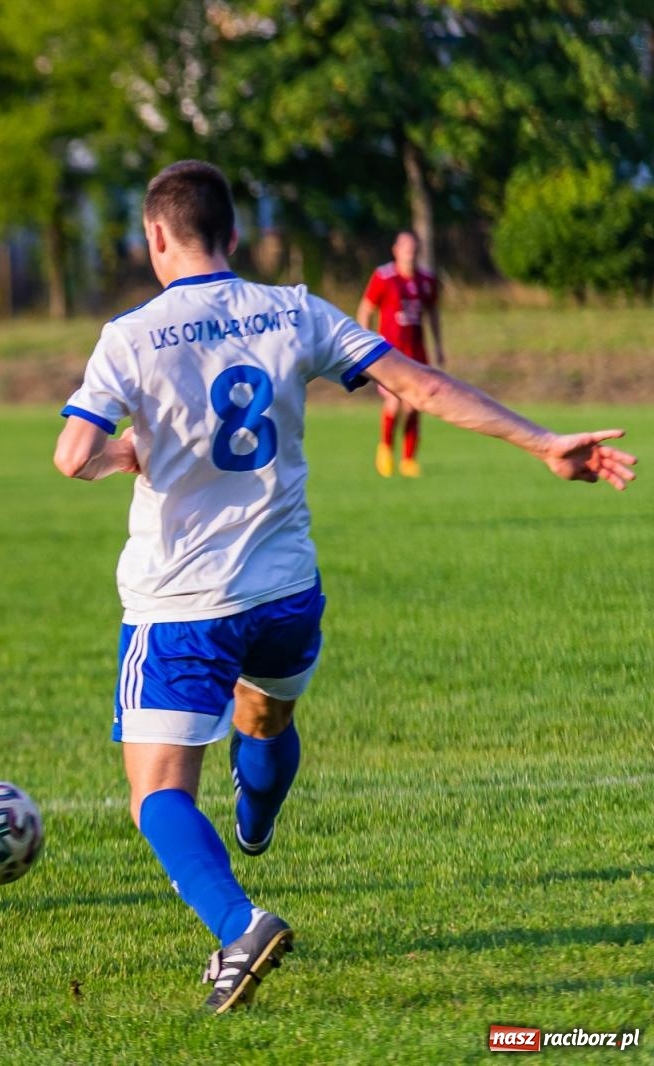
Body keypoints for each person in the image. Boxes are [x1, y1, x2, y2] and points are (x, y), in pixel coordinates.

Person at [53, 161, 634, 1014]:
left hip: (183, 605)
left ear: (155, 238)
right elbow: (419, 385)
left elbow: (72, 456)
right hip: (287, 591)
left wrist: (124, 454)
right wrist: (542, 441)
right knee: (266, 716)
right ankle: (256, 819)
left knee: (159, 796)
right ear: (235, 236)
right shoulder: (293, 309)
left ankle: (238, 925)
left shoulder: (131, 335)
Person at [357, 231, 444, 477]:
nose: (410, 252)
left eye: (414, 247)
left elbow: (433, 315)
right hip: (389, 356)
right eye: (406, 247)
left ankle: (408, 459)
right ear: (396, 250)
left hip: (416, 353)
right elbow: (365, 309)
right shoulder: (384, 277)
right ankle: (385, 448)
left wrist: (438, 346)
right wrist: (364, 344)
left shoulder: (426, 279)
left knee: (414, 405)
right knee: (394, 403)